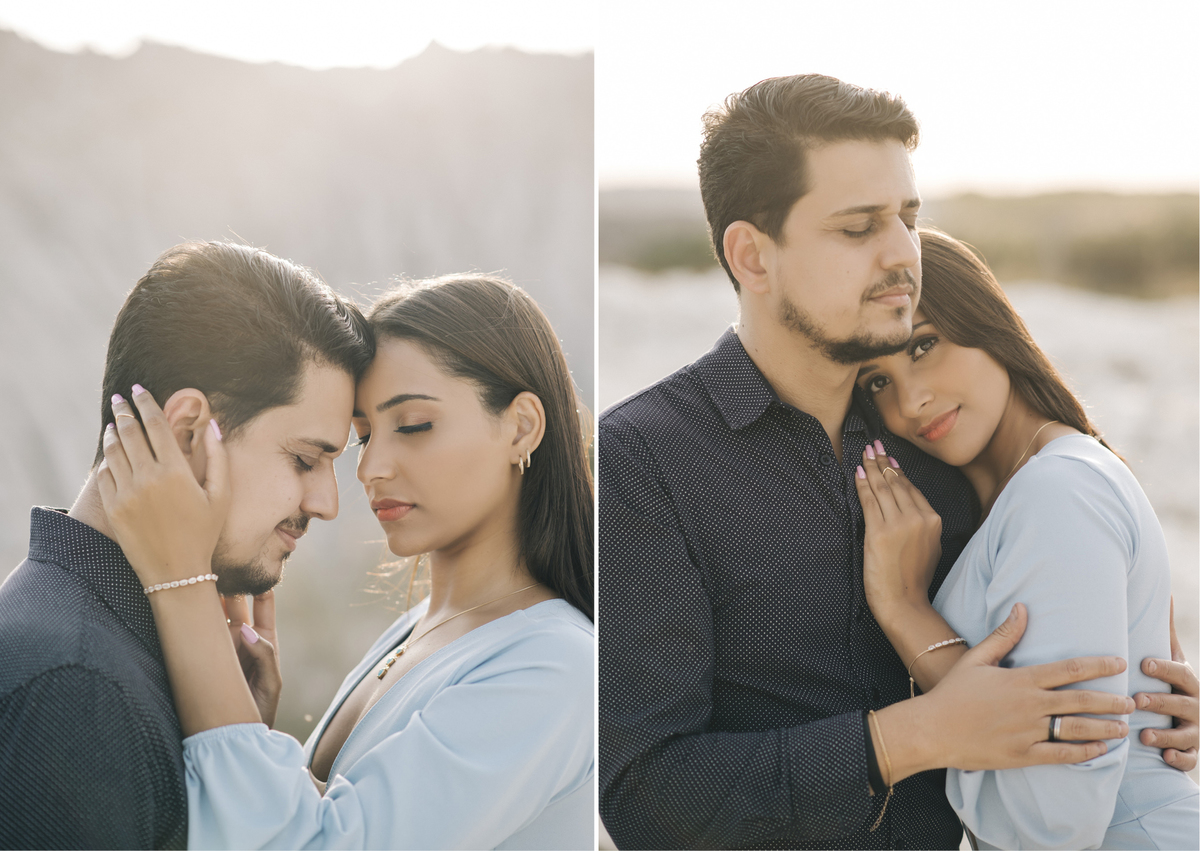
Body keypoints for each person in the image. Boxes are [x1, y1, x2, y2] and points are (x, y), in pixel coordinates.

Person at [597, 73, 1198, 849]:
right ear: (752, 255)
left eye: (907, 218)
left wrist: (1149, 709)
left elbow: (1072, 657)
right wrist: (905, 738)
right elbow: (644, 796)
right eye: (858, 228)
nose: (901, 254)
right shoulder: (645, 458)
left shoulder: (942, 441)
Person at [95, 274, 595, 849]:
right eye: (363, 436)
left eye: (413, 426)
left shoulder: (556, 667)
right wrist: (244, 726)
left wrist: (181, 582)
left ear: (522, 427)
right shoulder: (422, 627)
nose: (370, 469)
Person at [0, 241, 374, 849]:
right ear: (189, 431)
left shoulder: (113, 656)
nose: (326, 503)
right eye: (305, 460)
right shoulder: (76, 688)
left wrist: (235, 759)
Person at [852, 228, 1198, 849]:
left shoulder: (1056, 490)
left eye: (923, 345)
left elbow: (1055, 814)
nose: (911, 400)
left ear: (985, 321)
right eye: (876, 382)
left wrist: (907, 613)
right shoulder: (1038, 488)